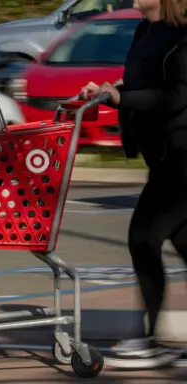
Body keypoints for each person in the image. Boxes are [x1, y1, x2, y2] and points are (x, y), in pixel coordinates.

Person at [82, 0, 187, 369]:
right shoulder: (145, 30)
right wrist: (108, 91)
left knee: (143, 238)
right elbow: (142, 86)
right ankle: (151, 339)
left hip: (182, 158)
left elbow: (176, 96)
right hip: (161, 157)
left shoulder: (183, 34)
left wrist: (121, 96)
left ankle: (149, 340)